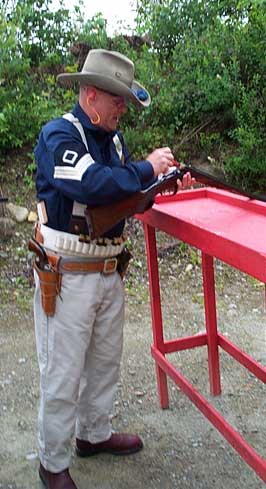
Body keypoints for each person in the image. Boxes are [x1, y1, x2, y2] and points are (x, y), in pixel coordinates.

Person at [33, 49, 194, 489]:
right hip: (65, 272)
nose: (123, 108)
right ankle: (52, 461)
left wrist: (161, 183)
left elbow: (122, 198)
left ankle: (93, 435)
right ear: (90, 97)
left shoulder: (114, 141)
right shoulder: (57, 136)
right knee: (63, 371)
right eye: (117, 99)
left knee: (104, 362)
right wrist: (146, 169)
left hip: (108, 266)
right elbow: (91, 183)